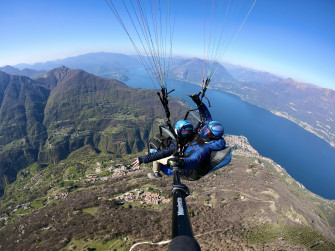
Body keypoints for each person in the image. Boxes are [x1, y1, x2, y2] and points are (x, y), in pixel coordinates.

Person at [132, 93, 232, 180]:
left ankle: (156, 174)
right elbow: (206, 116)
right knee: (159, 143)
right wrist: (198, 102)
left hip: (184, 168)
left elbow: (194, 159)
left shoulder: (204, 147)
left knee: (156, 155)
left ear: (212, 137)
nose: (205, 131)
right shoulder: (206, 133)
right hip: (184, 156)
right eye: (206, 129)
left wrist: (181, 163)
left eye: (208, 132)